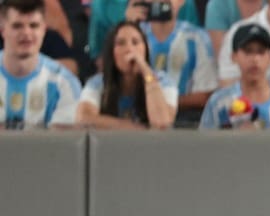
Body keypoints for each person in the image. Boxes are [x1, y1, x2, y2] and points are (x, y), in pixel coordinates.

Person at [201, 23, 270, 129]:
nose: (255, 59)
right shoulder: (219, 103)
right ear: (234, 57)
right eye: (248, 51)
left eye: (261, 52)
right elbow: (204, 144)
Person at [125, 0, 218, 119]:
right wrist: (128, 26)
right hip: (138, 117)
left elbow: (205, 95)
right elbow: (115, 84)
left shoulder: (197, 38)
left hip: (185, 119)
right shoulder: (133, 36)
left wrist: (161, 104)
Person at [76, 21, 178, 128]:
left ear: (145, 49)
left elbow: (162, 123)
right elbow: (83, 118)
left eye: (135, 42)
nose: (129, 49)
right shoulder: (98, 83)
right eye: (121, 43)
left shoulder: (164, 82)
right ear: (111, 52)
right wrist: (132, 128)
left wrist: (146, 71)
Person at [0, 0, 82, 129]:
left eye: (34, 26)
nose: (26, 33)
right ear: (3, 30)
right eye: (17, 26)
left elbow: (64, 145)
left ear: (44, 29)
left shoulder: (64, 83)